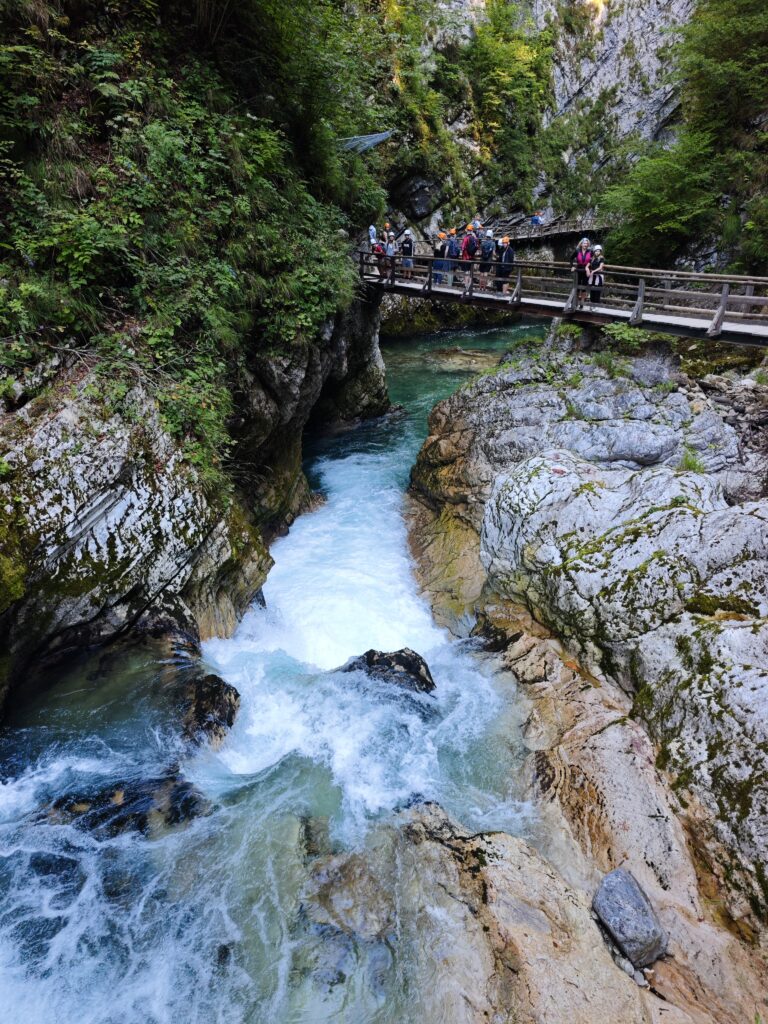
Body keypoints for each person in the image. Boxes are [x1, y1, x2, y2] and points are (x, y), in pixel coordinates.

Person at [570, 237, 592, 308]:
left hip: (586, 271)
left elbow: (592, 260)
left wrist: (588, 267)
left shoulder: (590, 251)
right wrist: (572, 266)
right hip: (578, 271)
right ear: (581, 244)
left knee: (584, 287)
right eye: (584, 243)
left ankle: (582, 303)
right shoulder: (577, 250)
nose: (585, 245)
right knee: (577, 286)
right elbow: (571, 258)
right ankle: (575, 302)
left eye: (586, 243)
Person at [461, 223, 478, 288]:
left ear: (467, 230)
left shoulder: (466, 238)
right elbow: (477, 246)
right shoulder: (474, 238)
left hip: (466, 257)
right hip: (472, 257)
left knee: (466, 271)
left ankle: (466, 284)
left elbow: (462, 247)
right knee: (470, 271)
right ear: (472, 230)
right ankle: (470, 284)